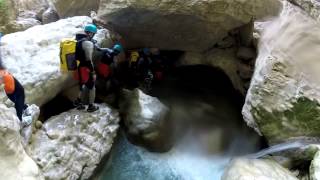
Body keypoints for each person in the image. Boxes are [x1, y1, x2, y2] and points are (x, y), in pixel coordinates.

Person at [73, 24, 99, 112]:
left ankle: (78, 102)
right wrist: (93, 72)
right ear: (91, 33)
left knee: (81, 85)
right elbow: (89, 60)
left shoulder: (79, 40)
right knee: (92, 87)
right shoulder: (87, 43)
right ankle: (91, 106)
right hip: (85, 69)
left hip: (79, 68)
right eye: (93, 33)